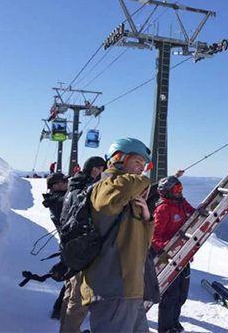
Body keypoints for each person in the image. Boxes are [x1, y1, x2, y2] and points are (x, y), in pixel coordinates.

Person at [80, 138, 153, 333]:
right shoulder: (106, 186)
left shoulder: (126, 195)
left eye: (144, 165)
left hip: (129, 289)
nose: (142, 169)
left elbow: (143, 243)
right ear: (119, 159)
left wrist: (147, 218)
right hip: (113, 287)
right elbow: (112, 197)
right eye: (137, 162)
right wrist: (144, 181)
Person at [59, 156, 106, 333]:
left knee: (70, 293)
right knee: (79, 300)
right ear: (95, 170)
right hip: (82, 249)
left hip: (70, 247)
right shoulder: (88, 189)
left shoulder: (74, 187)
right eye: (102, 169)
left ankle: (65, 328)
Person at [151, 171, 194, 333]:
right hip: (168, 258)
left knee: (182, 293)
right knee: (171, 295)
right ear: (168, 191)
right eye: (177, 188)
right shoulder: (163, 209)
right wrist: (168, 249)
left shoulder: (181, 203)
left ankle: (175, 322)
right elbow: (154, 236)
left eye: (180, 186)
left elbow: (193, 213)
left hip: (183, 256)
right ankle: (166, 328)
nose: (180, 190)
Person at [42, 172, 69, 320]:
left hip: (69, 245)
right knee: (72, 279)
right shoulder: (57, 200)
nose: (67, 183)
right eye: (63, 181)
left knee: (72, 279)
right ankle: (59, 309)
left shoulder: (56, 198)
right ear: (55, 185)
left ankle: (59, 309)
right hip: (70, 246)